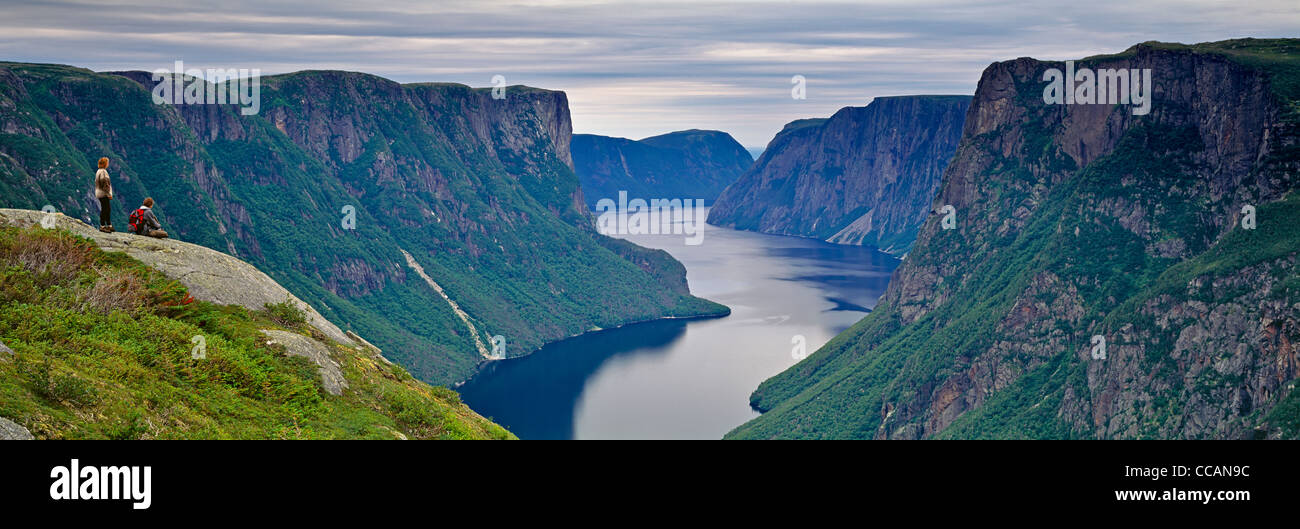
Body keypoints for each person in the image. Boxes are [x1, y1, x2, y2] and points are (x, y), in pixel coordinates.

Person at [94, 157, 113, 233]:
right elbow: (105, 183)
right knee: (106, 209)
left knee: (106, 209)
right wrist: (108, 194)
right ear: (105, 164)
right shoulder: (103, 172)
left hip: (99, 192)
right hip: (103, 193)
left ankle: (108, 225)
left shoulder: (98, 171)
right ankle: (103, 226)